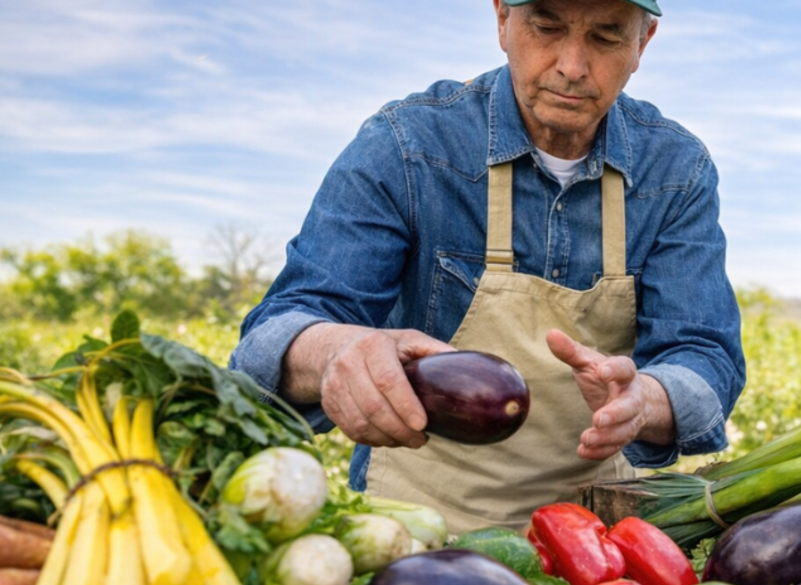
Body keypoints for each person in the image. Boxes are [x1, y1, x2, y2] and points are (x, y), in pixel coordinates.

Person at [230, 0, 746, 533]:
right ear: (502, 19)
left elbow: (705, 354)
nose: (571, 65)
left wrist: (647, 400)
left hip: (593, 539)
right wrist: (335, 350)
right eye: (546, 26)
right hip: (411, 527)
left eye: (606, 37)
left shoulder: (676, 171)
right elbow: (278, 331)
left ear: (643, 43)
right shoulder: (407, 146)